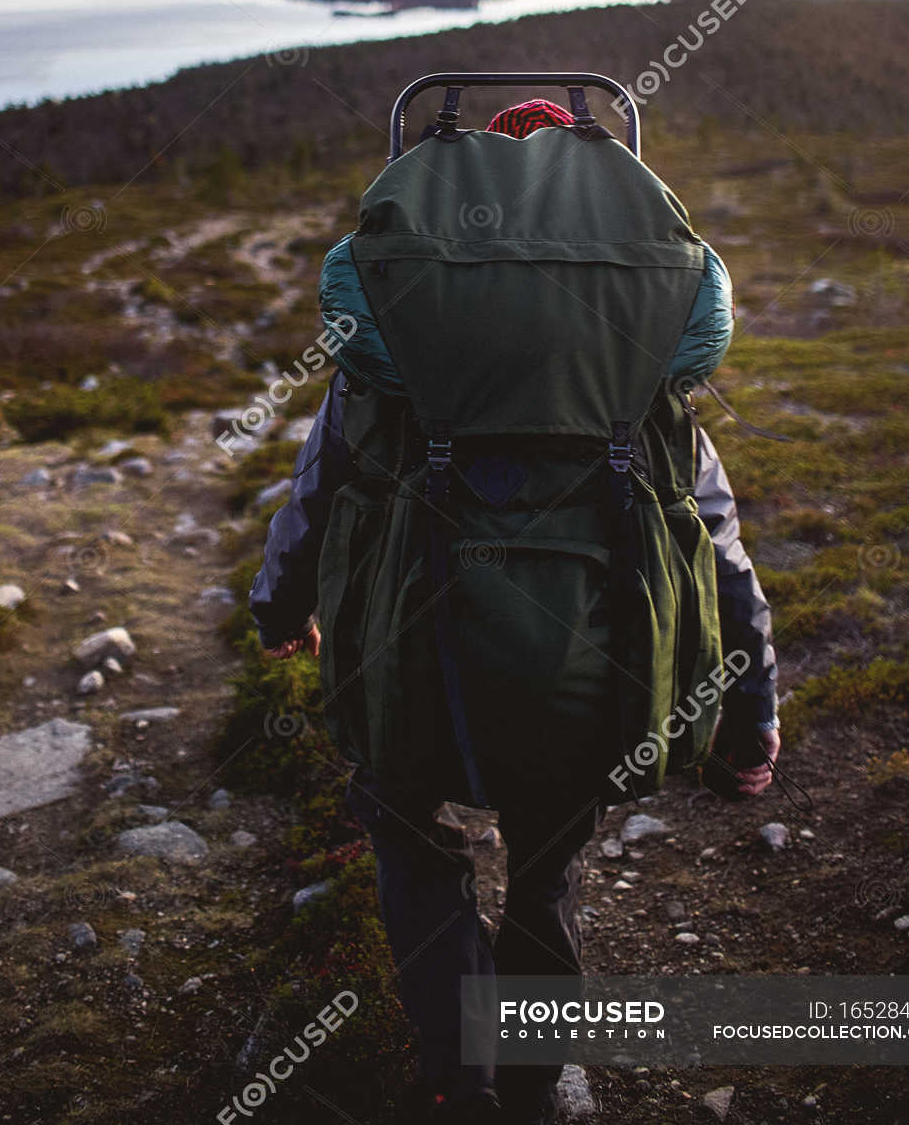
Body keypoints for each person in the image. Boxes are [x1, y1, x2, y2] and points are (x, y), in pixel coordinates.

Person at [250, 100, 779, 1124]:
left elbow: (311, 501)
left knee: (410, 836)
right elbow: (719, 554)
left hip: (414, 660)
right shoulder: (649, 389)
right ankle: (535, 1080)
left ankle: (462, 1074)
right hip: (594, 664)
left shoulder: (387, 364)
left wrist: (280, 612)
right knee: (546, 864)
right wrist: (750, 713)